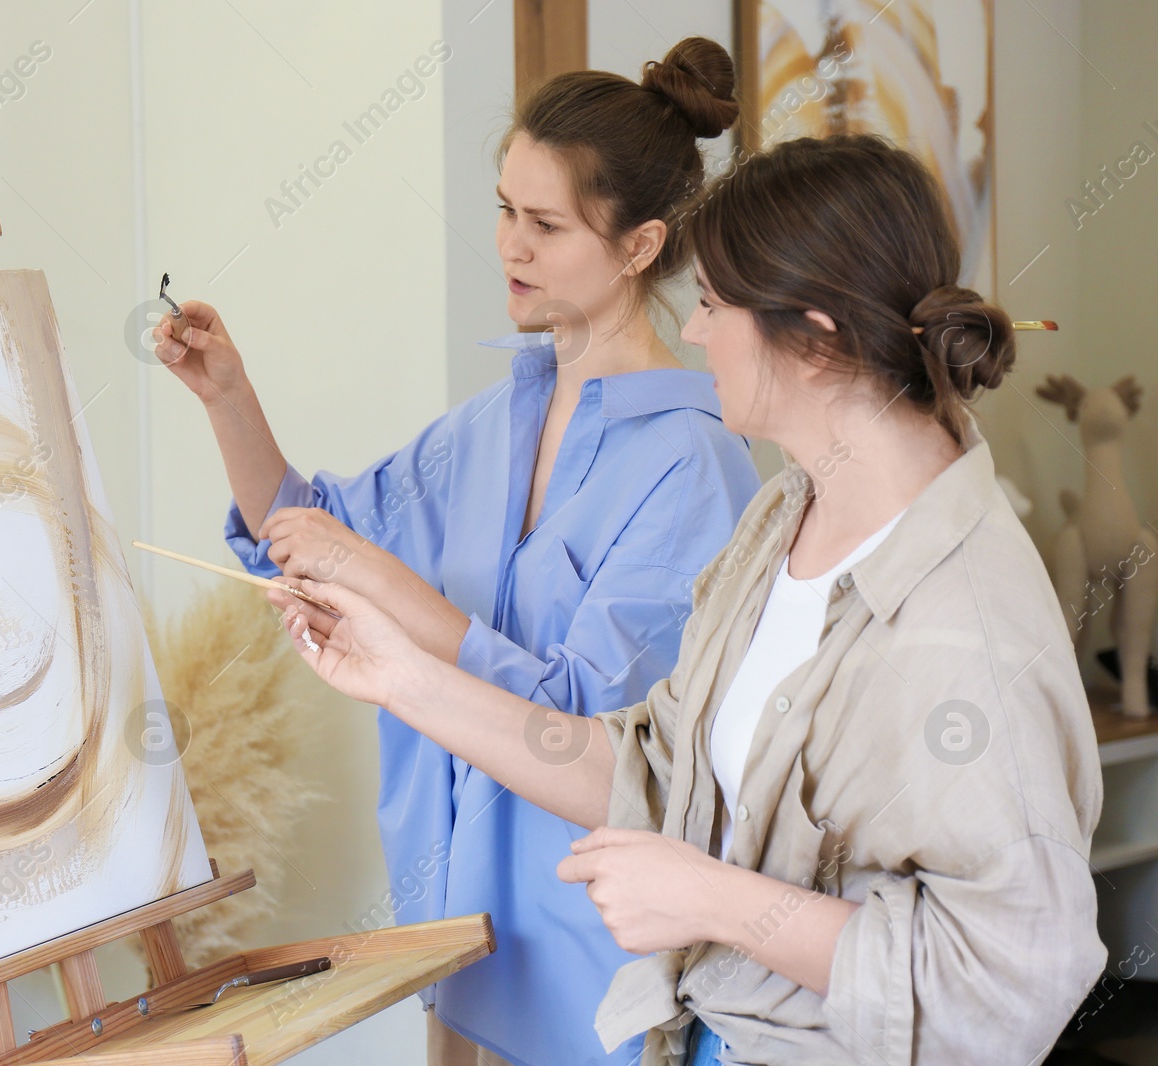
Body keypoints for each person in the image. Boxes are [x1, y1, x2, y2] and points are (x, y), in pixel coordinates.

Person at [271, 133, 1108, 1065]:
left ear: (814, 336)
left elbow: (1011, 987)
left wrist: (715, 901)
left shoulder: (966, 625)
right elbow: (650, 775)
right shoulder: (779, 522)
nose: (695, 330)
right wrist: (401, 679)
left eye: (712, 303)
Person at [154, 39, 761, 1066]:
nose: (508, 247)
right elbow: (305, 539)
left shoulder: (695, 468)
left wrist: (381, 583)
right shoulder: (493, 421)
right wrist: (227, 397)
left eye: (545, 225)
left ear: (640, 244)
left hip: (599, 974)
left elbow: (586, 732)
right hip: (456, 950)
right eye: (503, 210)